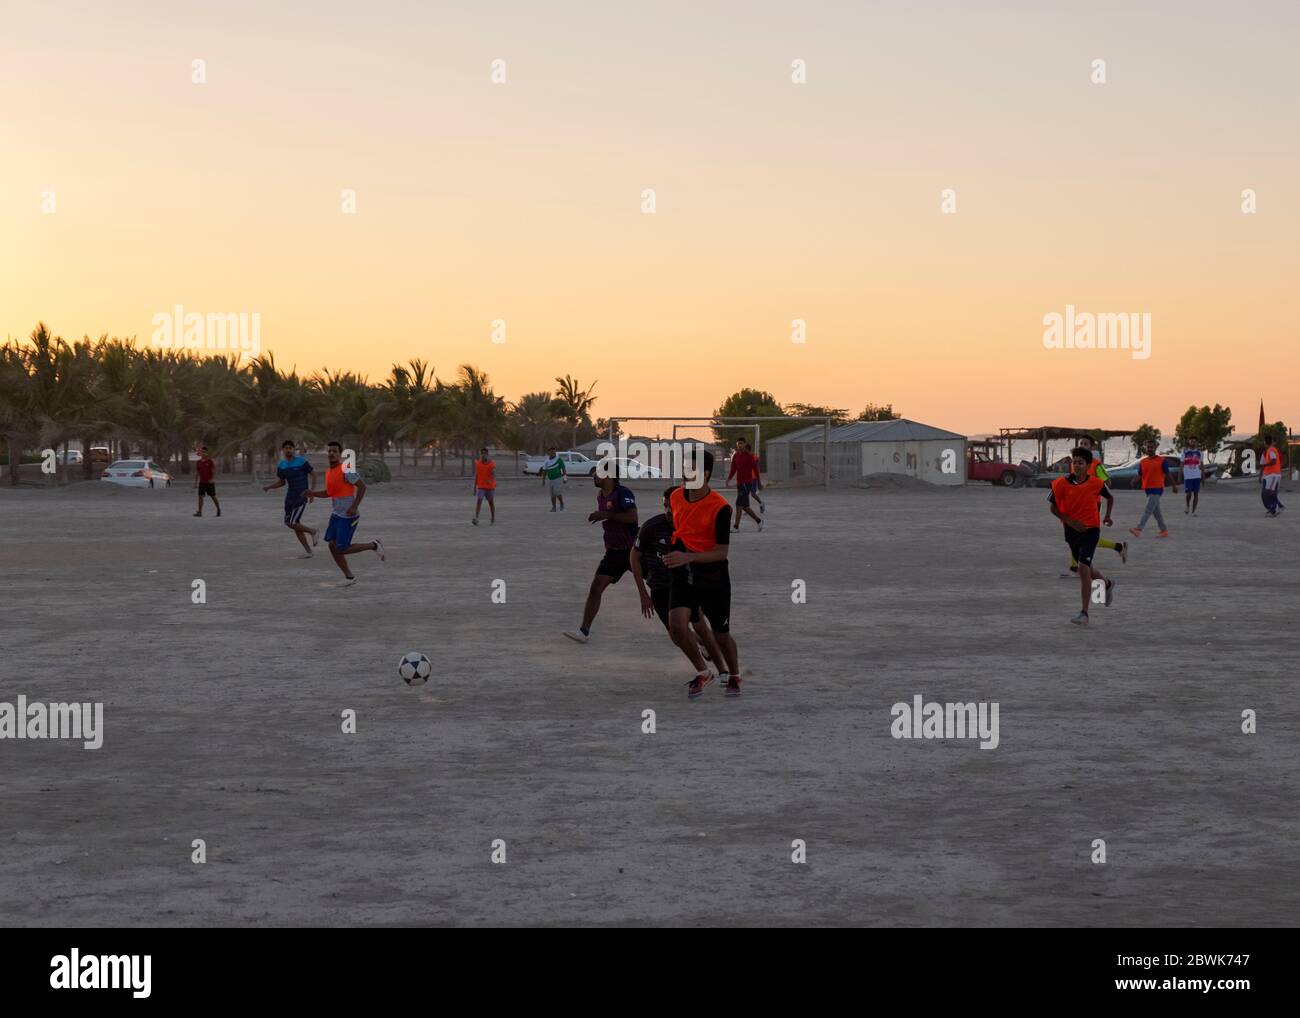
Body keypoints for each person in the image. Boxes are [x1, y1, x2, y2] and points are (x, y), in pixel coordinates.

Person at [665, 452, 742, 697]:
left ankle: (734, 675)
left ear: (705, 473)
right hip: (683, 571)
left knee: (721, 634)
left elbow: (721, 552)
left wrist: (689, 556)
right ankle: (703, 672)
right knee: (676, 625)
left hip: (712, 575)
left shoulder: (720, 507)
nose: (684, 474)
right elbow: (681, 528)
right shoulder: (676, 496)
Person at [630, 486, 725, 666]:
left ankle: (720, 670)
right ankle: (701, 645)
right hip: (659, 587)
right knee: (676, 636)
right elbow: (634, 557)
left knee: (699, 624)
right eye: (665, 505)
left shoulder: (694, 527)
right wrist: (643, 593)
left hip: (686, 585)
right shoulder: (652, 527)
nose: (667, 510)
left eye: (671, 506)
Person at [563, 468, 638, 643]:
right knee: (596, 587)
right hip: (613, 552)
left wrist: (605, 515)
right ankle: (584, 632)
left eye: (598, 473)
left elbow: (633, 517)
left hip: (633, 551)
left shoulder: (623, 493)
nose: (594, 476)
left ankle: (694, 634)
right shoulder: (601, 495)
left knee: (660, 590)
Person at [1049, 447, 1116, 626]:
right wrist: (1070, 522)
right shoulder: (1060, 483)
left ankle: (1084, 613)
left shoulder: (1096, 483)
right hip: (1071, 532)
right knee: (1087, 568)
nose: (1076, 465)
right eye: (1074, 462)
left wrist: (1107, 516)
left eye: (1080, 463)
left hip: (1091, 530)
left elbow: (1110, 498)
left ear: (1088, 466)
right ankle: (1107, 584)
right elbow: (1053, 508)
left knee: (1083, 568)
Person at [304, 442, 385, 586]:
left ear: (340, 454)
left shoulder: (346, 469)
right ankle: (349, 577)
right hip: (336, 515)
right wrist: (312, 493)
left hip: (349, 516)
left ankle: (373, 545)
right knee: (331, 545)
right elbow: (329, 493)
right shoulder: (329, 472)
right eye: (329, 451)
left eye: (334, 451)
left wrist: (354, 506)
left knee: (342, 548)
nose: (331, 453)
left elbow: (362, 486)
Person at [1062, 435, 1126, 575]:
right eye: (1081, 443)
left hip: (1092, 505)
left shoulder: (1096, 464)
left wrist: (1094, 488)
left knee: (1083, 535)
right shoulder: (1076, 464)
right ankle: (1117, 547)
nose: (1083, 445)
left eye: (1086, 444)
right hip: (1076, 505)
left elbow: (1107, 482)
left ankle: (1075, 565)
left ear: (1092, 447)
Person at [263, 440, 319, 556]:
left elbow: (313, 474)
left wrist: (312, 492)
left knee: (292, 522)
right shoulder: (281, 465)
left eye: (290, 448)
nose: (288, 450)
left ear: (294, 449)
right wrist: (270, 487)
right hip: (290, 497)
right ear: (283, 450)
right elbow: (282, 482)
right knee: (293, 524)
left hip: (301, 495)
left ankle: (313, 531)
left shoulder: (302, 461)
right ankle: (308, 551)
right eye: (286, 448)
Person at [1129, 439, 1176, 538]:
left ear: (1155, 448)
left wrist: (1174, 486)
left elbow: (1168, 474)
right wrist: (1134, 481)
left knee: (1148, 510)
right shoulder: (1143, 462)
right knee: (1156, 512)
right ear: (1146, 448)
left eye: (1152, 447)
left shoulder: (1161, 461)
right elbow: (1140, 475)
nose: (1150, 448)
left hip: (1157, 488)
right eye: (1148, 447)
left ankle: (1138, 529)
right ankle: (1164, 531)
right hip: (1147, 489)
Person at [727, 437, 763, 531]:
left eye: (742, 443)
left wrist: (759, 482)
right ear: (737, 444)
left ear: (745, 444)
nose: (740, 445)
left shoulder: (749, 456)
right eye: (738, 443)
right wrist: (729, 478)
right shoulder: (735, 456)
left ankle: (736, 526)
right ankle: (758, 521)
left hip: (746, 483)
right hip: (740, 483)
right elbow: (733, 469)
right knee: (745, 506)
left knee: (738, 504)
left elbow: (755, 470)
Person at [193, 445, 221, 517]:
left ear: (207, 453)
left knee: (213, 496)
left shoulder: (210, 461)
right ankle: (199, 512)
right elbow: (197, 473)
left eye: (204, 452)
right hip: (202, 482)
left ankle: (218, 509)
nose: (203, 453)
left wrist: (212, 479)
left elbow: (214, 471)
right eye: (202, 452)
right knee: (200, 496)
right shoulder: (198, 462)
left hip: (209, 482)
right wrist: (195, 483)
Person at [1181, 436, 1205, 515]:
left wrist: (1203, 476)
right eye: (1191, 441)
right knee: (1189, 494)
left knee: (1196, 494)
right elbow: (1181, 463)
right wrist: (1179, 474)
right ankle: (1187, 505)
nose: (1193, 443)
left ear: (1196, 443)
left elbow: (1201, 464)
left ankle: (1194, 511)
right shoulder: (1185, 451)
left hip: (1197, 476)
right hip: (1188, 476)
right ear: (1189, 442)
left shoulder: (1200, 452)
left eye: (1194, 441)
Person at [472, 447, 497, 525]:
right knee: (479, 500)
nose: (483, 455)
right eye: (482, 453)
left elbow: (493, 473)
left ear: (487, 454)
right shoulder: (478, 463)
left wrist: (491, 479)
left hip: (490, 487)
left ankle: (493, 518)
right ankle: (476, 518)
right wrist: (474, 488)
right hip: (481, 486)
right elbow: (477, 475)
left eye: (484, 454)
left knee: (491, 503)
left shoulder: (491, 463)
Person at [1261, 434, 1283, 517]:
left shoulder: (1271, 450)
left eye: (1264, 441)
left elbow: (1273, 461)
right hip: (1271, 474)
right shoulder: (1271, 449)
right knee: (1268, 492)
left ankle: (1276, 508)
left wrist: (1264, 465)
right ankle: (1273, 509)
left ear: (1265, 442)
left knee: (1270, 492)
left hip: (1273, 474)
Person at [539, 447, 566, 511]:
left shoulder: (559, 460)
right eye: (552, 452)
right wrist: (543, 480)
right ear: (549, 453)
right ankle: (554, 507)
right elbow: (545, 471)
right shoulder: (546, 461)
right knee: (552, 494)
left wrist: (565, 478)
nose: (553, 453)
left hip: (558, 478)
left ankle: (562, 504)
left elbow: (564, 469)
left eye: (554, 452)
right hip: (550, 479)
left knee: (557, 492)